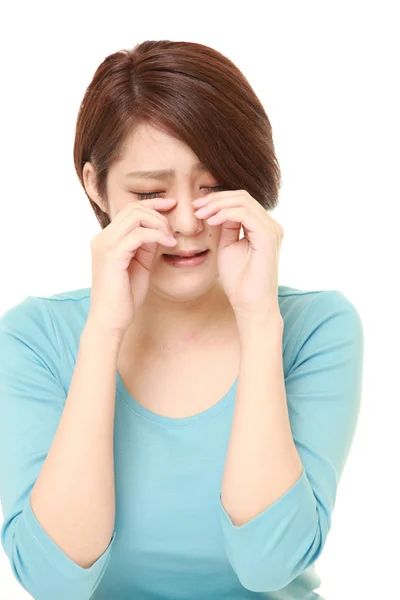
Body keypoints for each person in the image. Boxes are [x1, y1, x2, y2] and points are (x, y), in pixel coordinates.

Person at [0, 40, 364, 600]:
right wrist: (102, 333)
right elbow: (52, 582)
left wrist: (259, 319)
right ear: (96, 186)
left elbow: (270, 565)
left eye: (214, 187)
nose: (191, 222)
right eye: (152, 193)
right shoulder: (33, 338)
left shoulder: (318, 327)